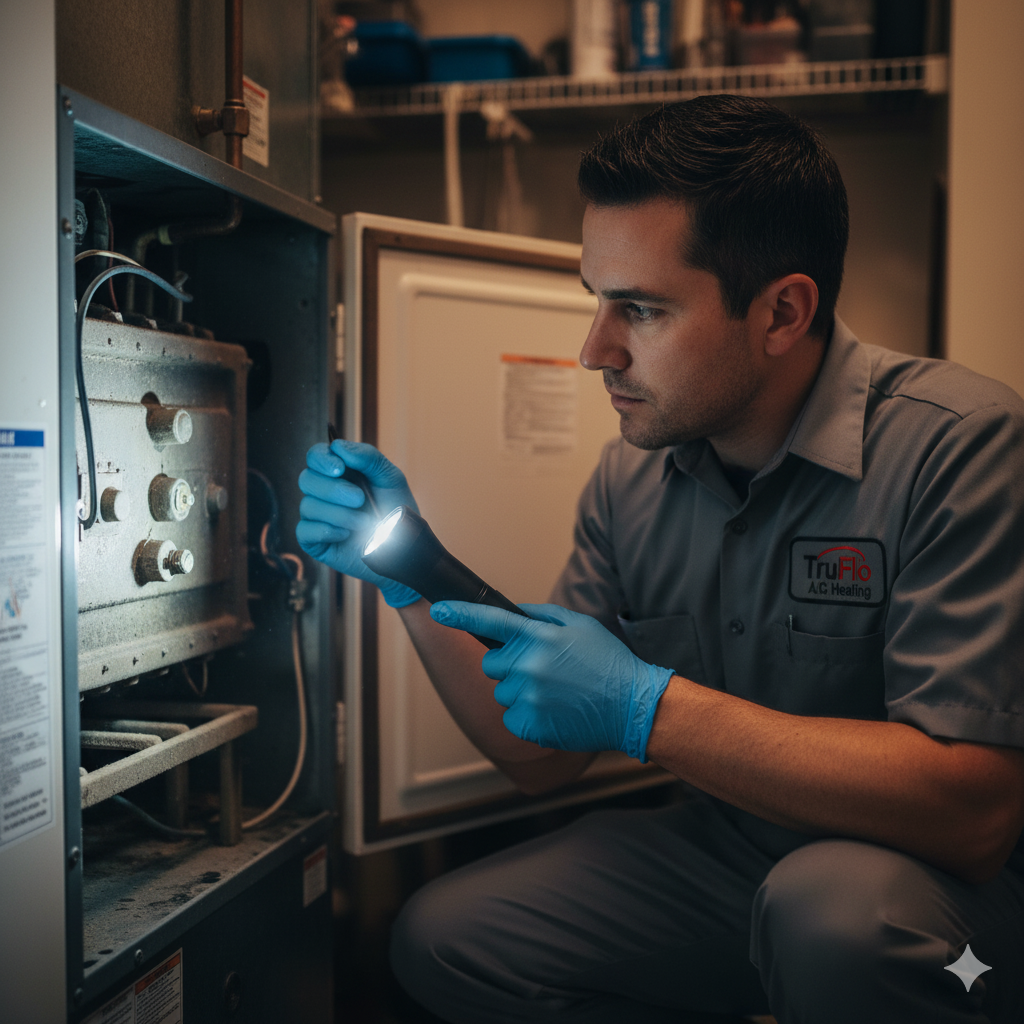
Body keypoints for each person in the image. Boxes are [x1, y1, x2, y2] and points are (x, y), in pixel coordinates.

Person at [297, 95, 1024, 1024]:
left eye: (639, 309)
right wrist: (414, 577)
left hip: (957, 915)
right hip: (735, 856)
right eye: (596, 301)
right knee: (452, 939)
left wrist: (649, 710)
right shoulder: (631, 483)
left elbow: (974, 811)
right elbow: (538, 760)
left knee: (838, 918)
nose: (594, 350)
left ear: (782, 312)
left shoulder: (958, 445)